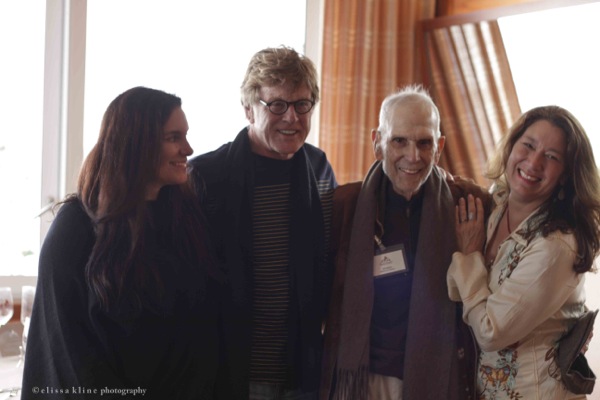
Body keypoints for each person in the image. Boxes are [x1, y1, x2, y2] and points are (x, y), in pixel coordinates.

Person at [22, 87, 221, 399]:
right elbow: (67, 351)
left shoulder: (184, 219)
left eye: (185, 136)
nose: (188, 149)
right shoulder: (76, 227)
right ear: (137, 143)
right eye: (174, 138)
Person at [321, 85, 491, 400]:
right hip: (363, 379)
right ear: (377, 143)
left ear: (439, 147)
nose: (413, 157)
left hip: (438, 378)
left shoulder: (468, 204)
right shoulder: (344, 206)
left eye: (424, 143)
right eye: (399, 141)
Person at [189, 46, 337, 399]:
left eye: (302, 104)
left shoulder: (319, 169)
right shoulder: (207, 176)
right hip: (228, 370)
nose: (292, 117)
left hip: (302, 371)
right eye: (277, 105)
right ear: (248, 109)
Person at [447, 105, 600, 399]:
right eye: (528, 145)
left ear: (565, 175)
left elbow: (489, 332)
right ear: (511, 146)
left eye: (551, 157)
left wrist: (469, 255)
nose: (533, 162)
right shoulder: (497, 204)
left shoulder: (556, 245)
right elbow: (456, 293)